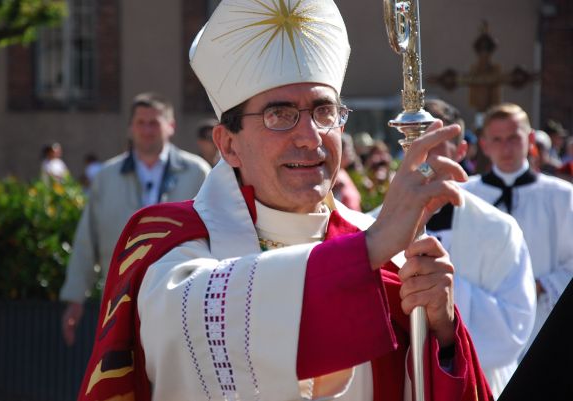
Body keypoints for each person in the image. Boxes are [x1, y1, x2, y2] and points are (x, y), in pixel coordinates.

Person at [79, 2, 492, 400]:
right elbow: (188, 328)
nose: (310, 136)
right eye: (280, 114)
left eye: (324, 111)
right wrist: (369, 249)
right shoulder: (169, 242)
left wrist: (440, 331)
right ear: (228, 145)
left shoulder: (384, 251)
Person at [59, 92, 211, 346]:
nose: (147, 130)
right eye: (141, 122)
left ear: (170, 126)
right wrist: (75, 299)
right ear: (130, 128)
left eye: (154, 122)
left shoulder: (197, 173)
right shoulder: (106, 177)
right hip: (122, 304)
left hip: (183, 303)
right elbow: (87, 240)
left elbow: (216, 236)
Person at [422, 99, 536, 397]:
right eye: (412, 143)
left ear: (461, 151)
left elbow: (515, 328)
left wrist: (446, 291)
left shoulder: (498, 229)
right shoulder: (373, 228)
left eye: (435, 143)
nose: (422, 156)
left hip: (478, 383)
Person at [463, 103, 573, 356]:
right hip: (481, 323)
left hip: (542, 319)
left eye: (514, 137)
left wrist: (539, 285)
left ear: (530, 139)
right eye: (497, 139)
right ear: (484, 144)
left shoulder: (561, 196)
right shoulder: (464, 195)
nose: (506, 148)